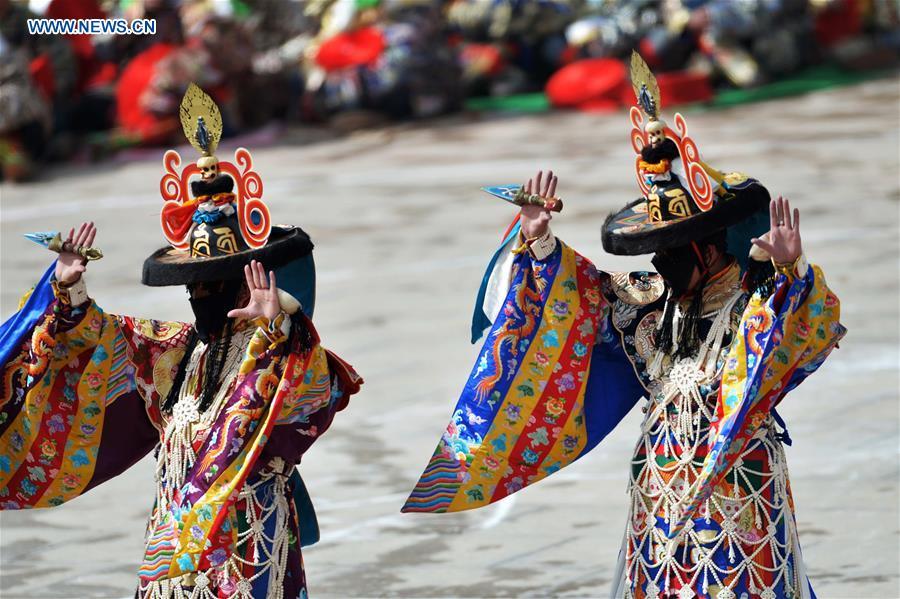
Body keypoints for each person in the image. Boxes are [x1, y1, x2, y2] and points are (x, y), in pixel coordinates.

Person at [403, 54, 845, 599]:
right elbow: (579, 297)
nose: (659, 264)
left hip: (737, 484)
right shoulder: (650, 298)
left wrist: (789, 270)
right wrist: (539, 241)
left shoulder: (757, 303)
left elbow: (807, 330)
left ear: (709, 250)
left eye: (671, 252)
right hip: (658, 481)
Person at [0, 85, 362, 598]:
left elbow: (313, 388)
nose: (200, 295)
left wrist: (280, 322)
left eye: (212, 284)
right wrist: (70, 288)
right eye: (193, 285)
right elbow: (102, 340)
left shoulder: (275, 353)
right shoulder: (178, 351)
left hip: (248, 544)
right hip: (175, 545)